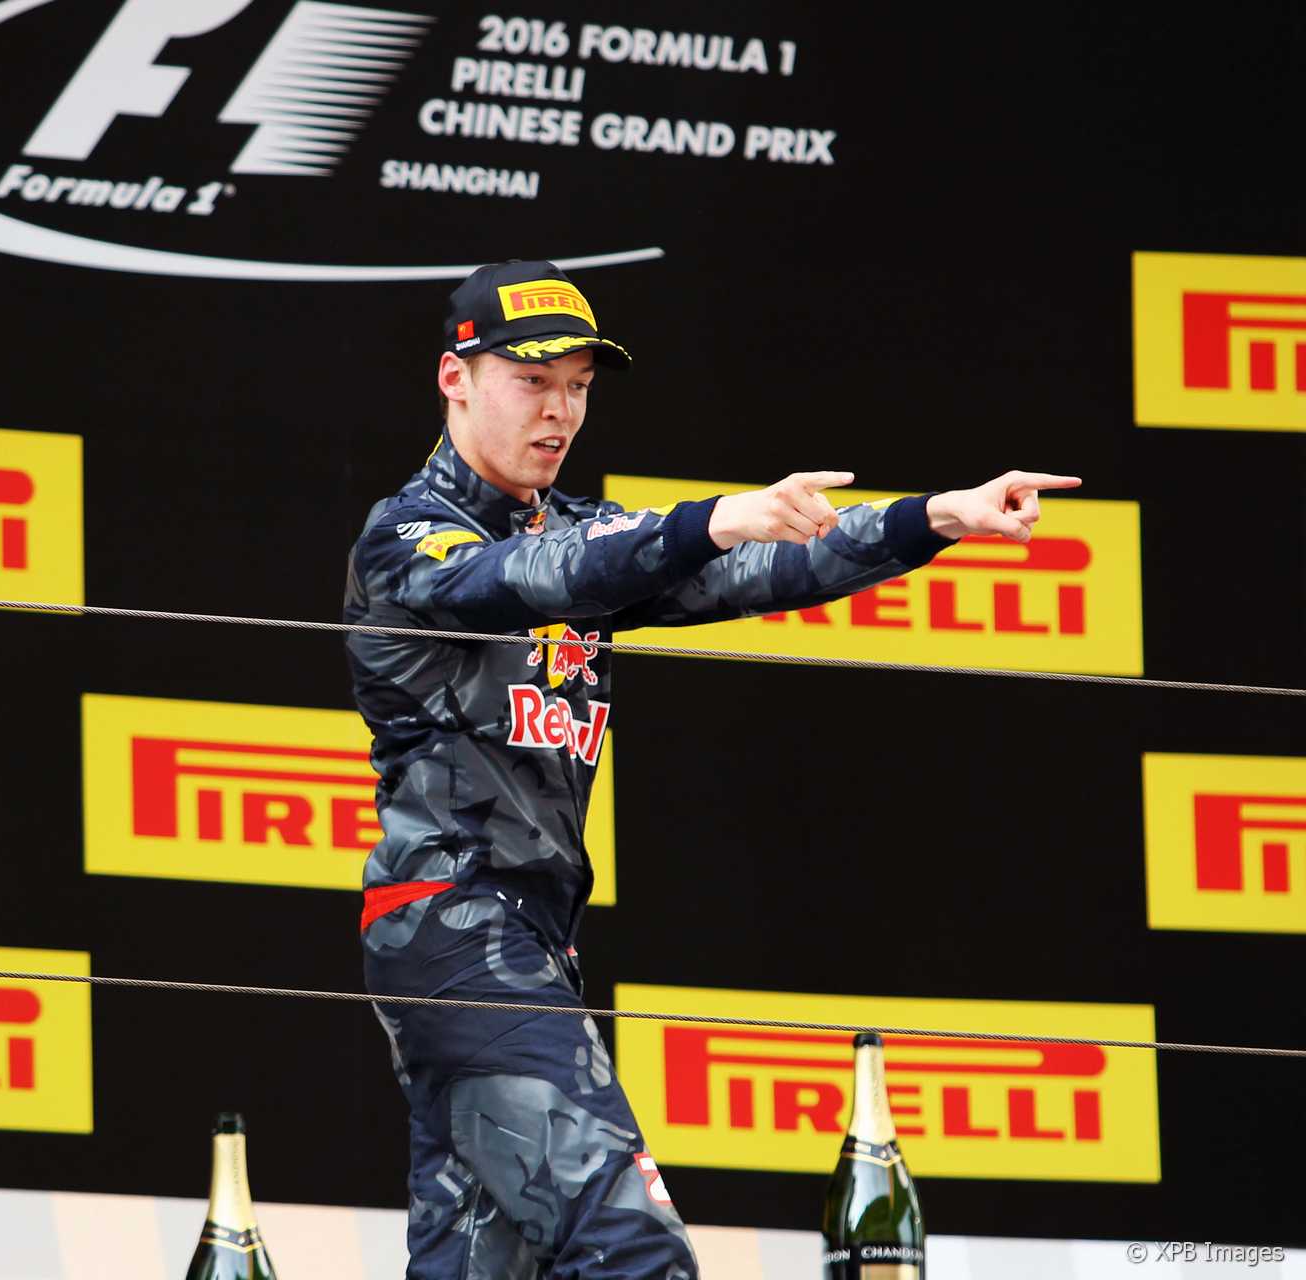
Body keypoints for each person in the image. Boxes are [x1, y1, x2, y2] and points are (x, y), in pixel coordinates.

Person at [343, 260, 1080, 1279]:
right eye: (532, 380)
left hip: (535, 942)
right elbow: (522, 581)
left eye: (579, 385)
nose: (560, 410)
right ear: (454, 377)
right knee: (633, 1250)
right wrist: (709, 518)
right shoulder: (408, 534)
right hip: (454, 932)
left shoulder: (589, 531)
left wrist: (935, 518)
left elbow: (754, 566)